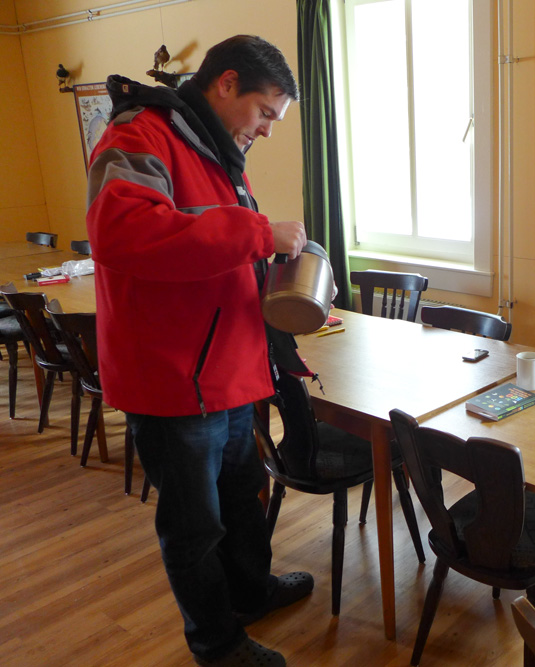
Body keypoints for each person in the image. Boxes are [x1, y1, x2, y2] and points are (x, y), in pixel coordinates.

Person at [87, 36, 311, 667]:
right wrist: (260, 233)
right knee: (194, 528)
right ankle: (218, 645)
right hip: (173, 380)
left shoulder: (212, 147)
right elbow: (123, 233)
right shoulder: (138, 135)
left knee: (243, 499)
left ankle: (251, 593)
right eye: (265, 113)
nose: (266, 130)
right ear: (226, 83)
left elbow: (210, 248)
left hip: (227, 370)